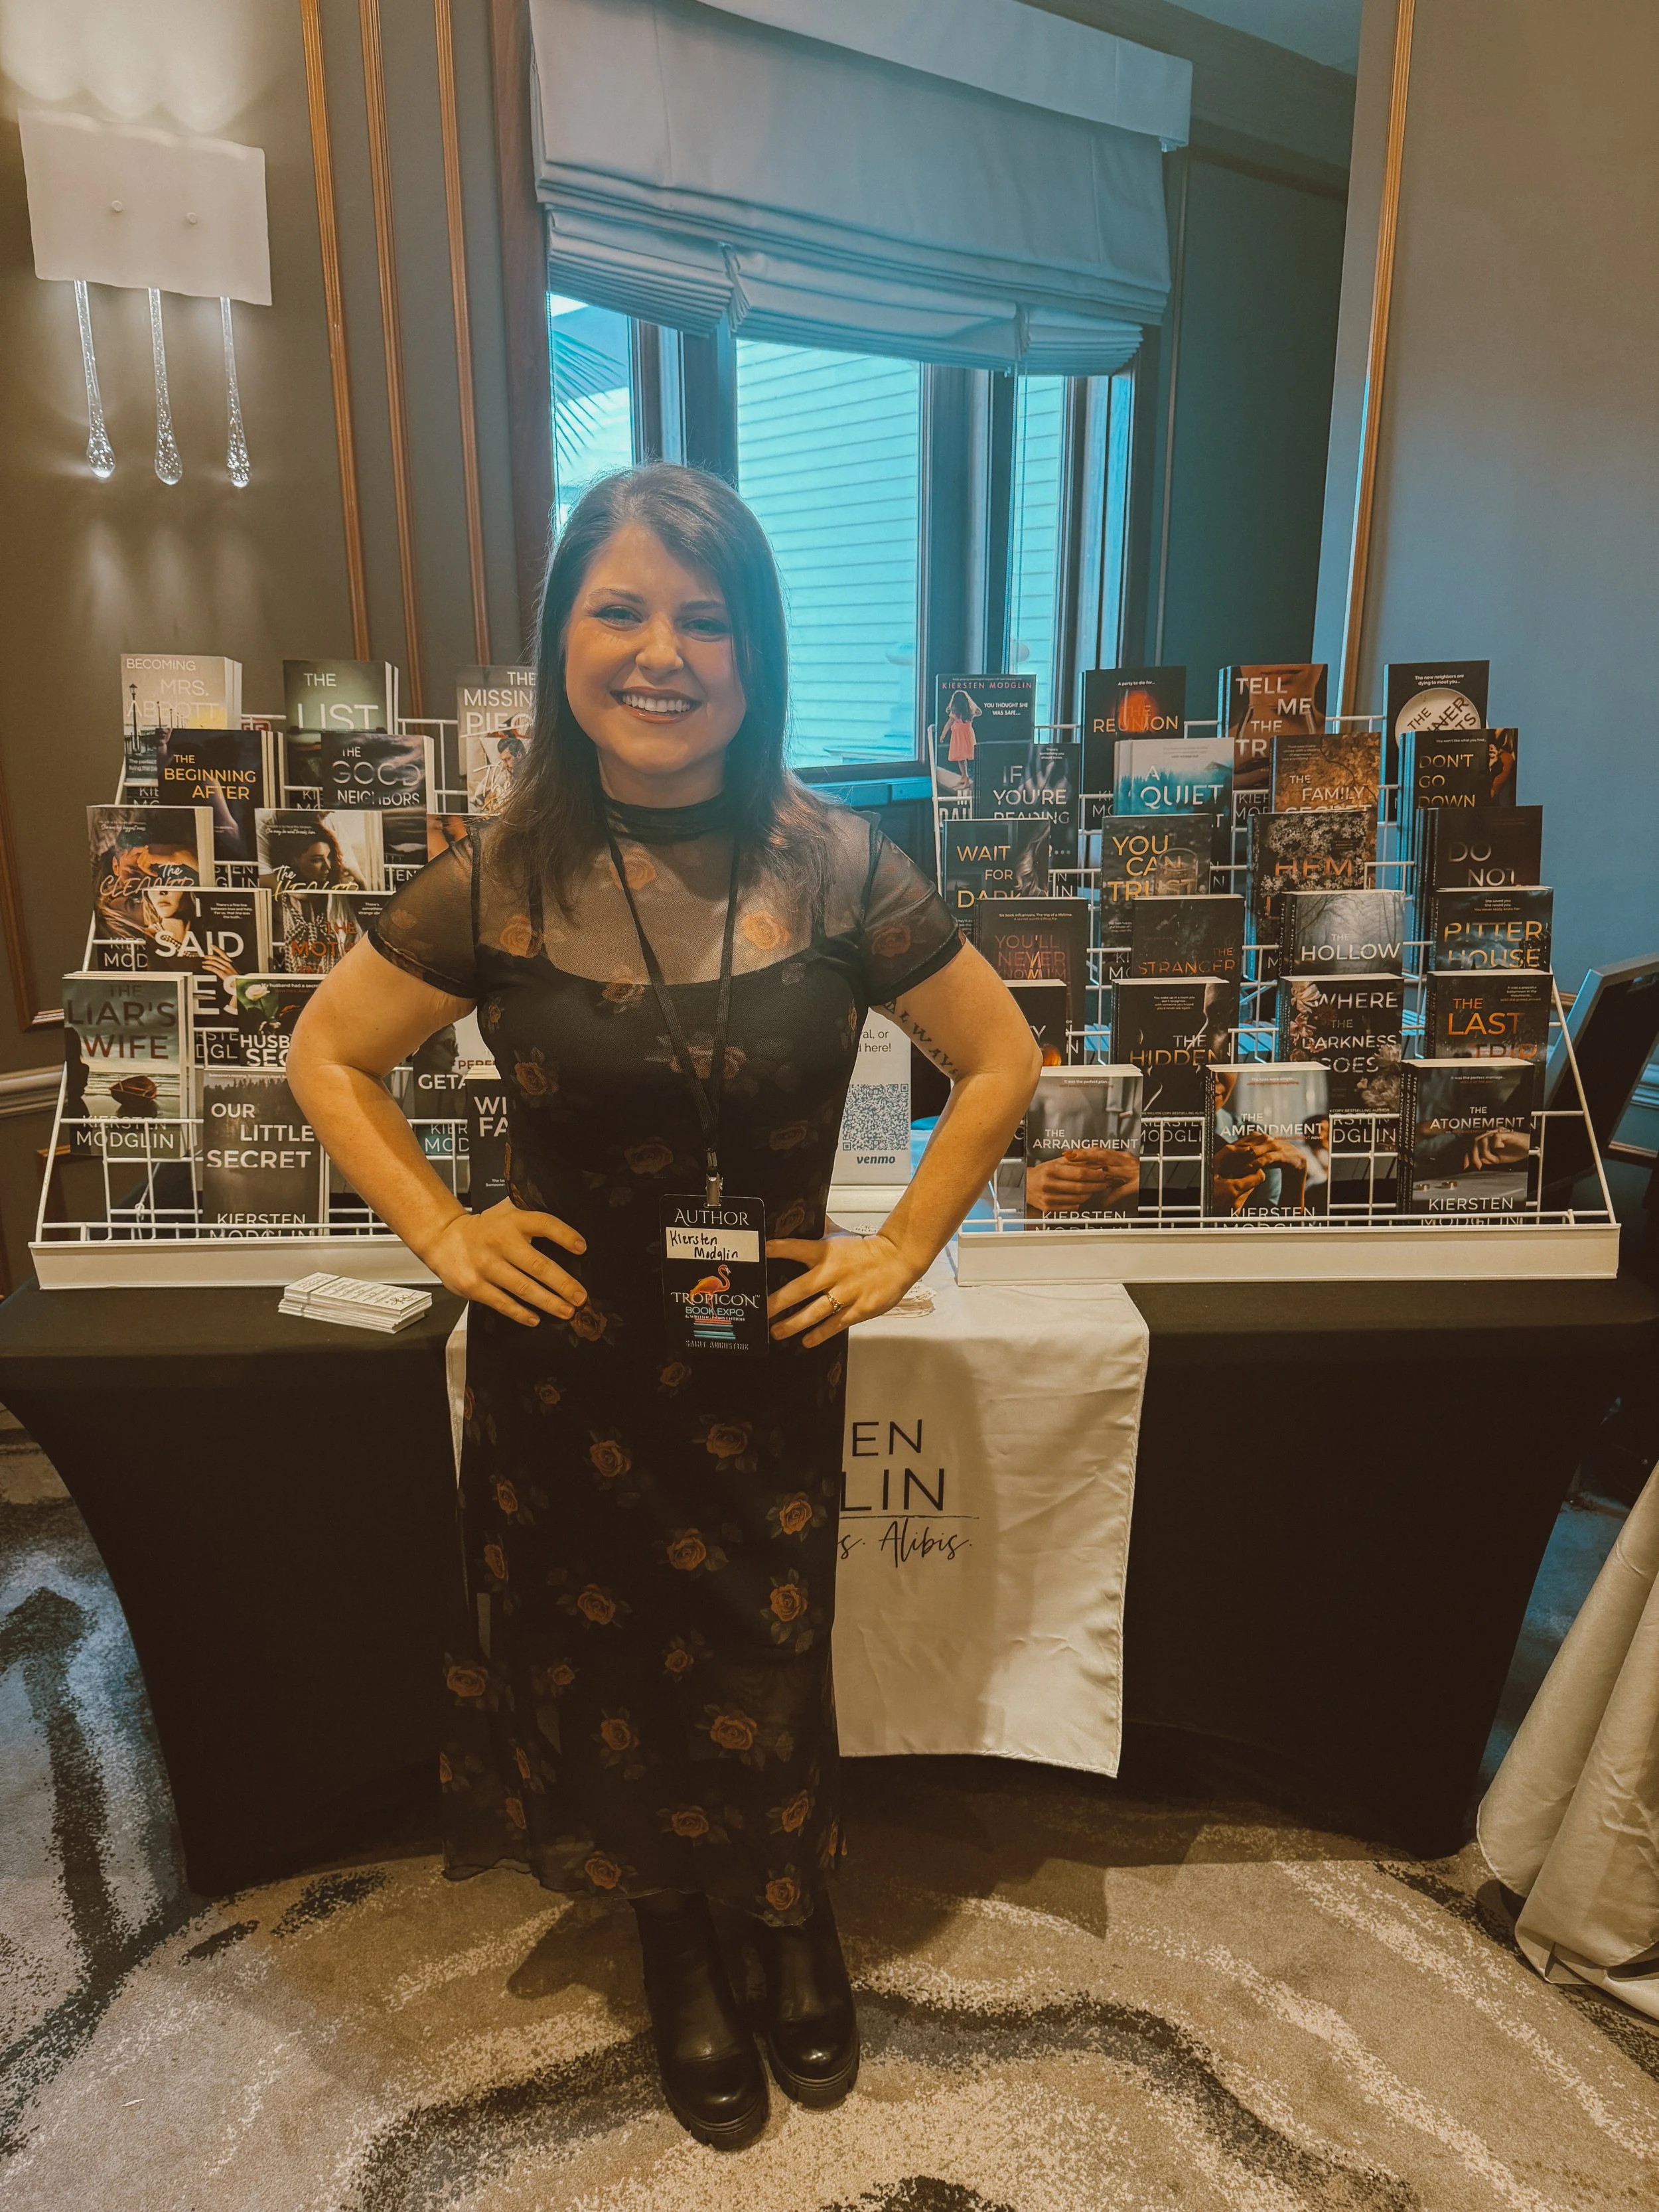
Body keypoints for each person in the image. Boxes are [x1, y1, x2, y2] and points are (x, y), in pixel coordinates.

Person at [287, 464, 1040, 2151]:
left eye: (704, 618)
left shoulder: (845, 865)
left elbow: (999, 1062)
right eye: (618, 609)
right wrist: (443, 1231)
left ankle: (786, 1907)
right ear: (563, 637)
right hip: (563, 1368)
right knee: (596, 1655)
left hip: (763, 1355)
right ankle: (675, 1929)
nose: (659, 652)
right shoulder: (493, 876)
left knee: (763, 1650)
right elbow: (328, 1056)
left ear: (755, 655)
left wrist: (900, 1245)